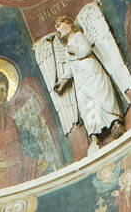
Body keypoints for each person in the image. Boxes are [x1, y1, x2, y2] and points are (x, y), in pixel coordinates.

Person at [53, 16, 125, 150]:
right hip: (80, 79)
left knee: (102, 94)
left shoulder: (78, 36)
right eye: (57, 28)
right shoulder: (68, 46)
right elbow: (71, 67)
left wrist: (73, 49)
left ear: (69, 24)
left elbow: (86, 50)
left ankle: (115, 122)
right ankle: (94, 137)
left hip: (92, 72)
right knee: (86, 105)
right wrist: (63, 80)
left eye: (60, 25)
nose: (58, 30)